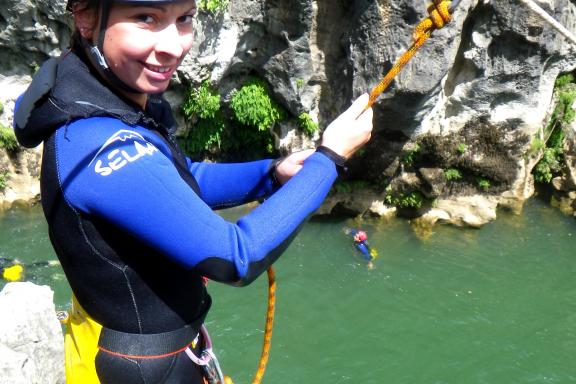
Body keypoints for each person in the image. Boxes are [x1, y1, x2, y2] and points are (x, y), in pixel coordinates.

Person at [13, 0, 373, 382]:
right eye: (145, 18)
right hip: (142, 368)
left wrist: (270, 174)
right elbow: (237, 256)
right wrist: (329, 160)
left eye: (184, 19)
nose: (174, 45)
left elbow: (171, 181)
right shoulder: (100, 146)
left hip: (150, 352)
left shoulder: (105, 97)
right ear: (86, 18)